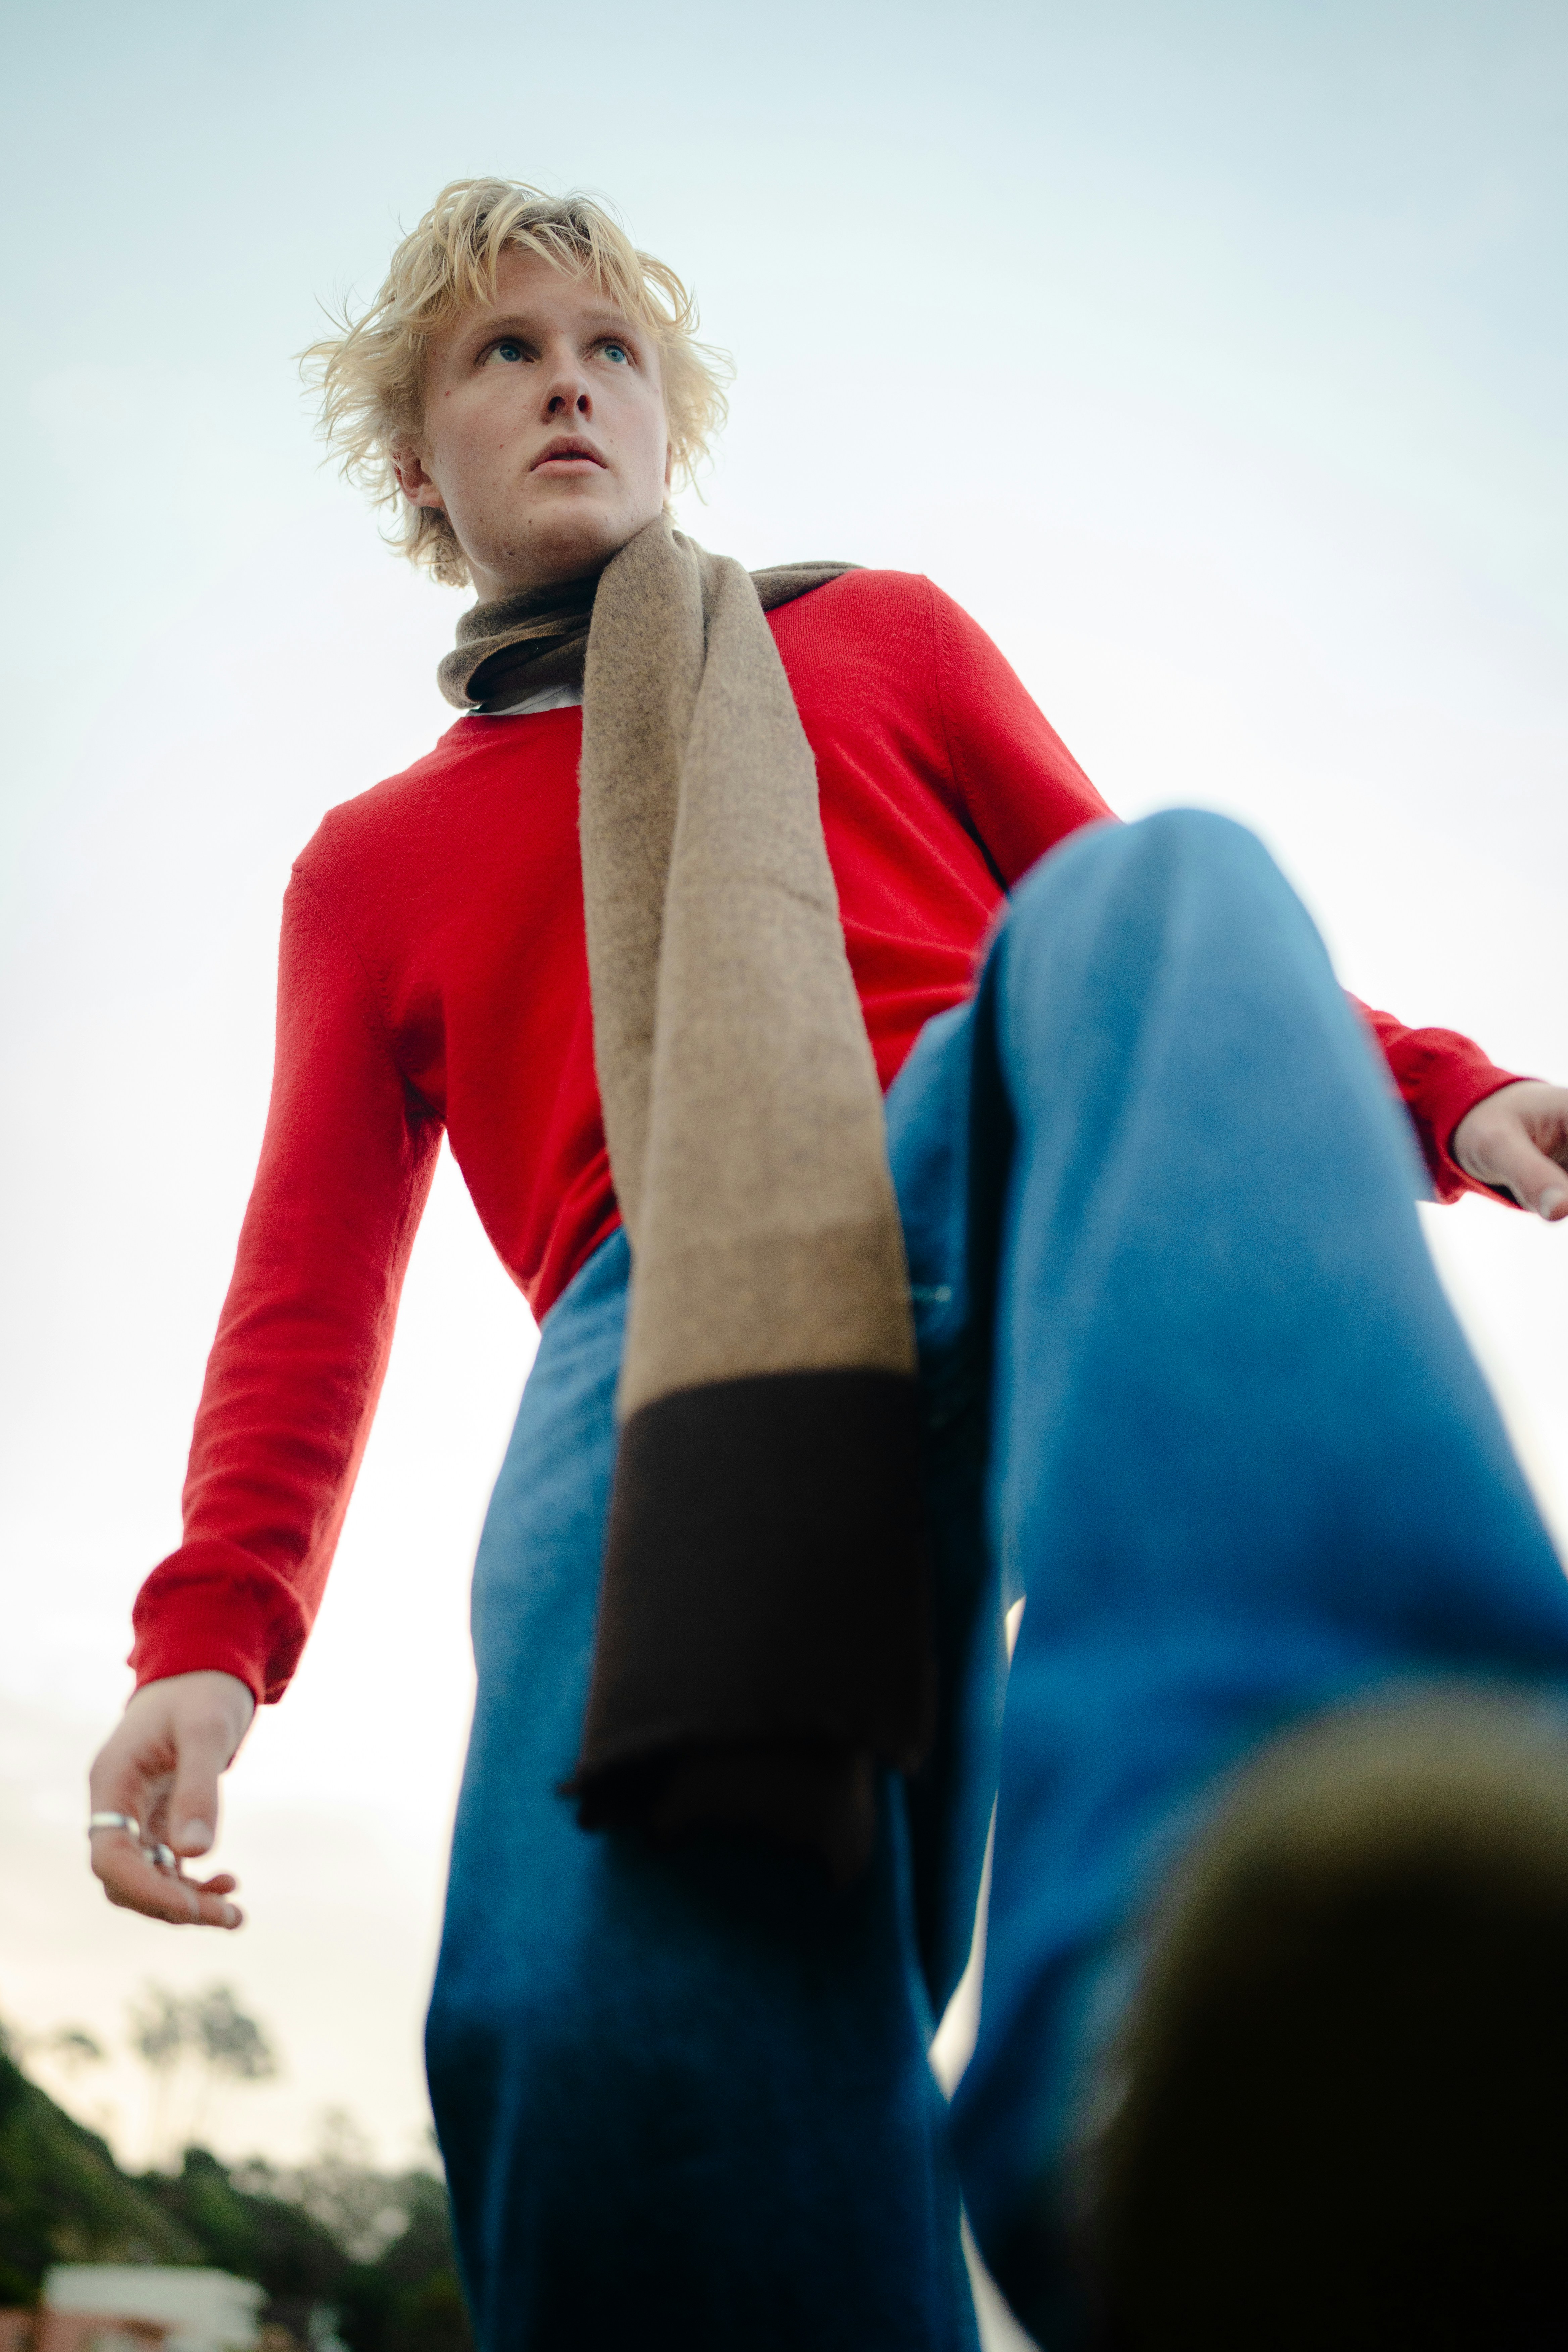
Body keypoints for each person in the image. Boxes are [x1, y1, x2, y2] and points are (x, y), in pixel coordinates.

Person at [87, 180, 1568, 2350]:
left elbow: (1102, 918)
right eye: (507, 353)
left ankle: (1302, 1892)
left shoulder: (880, 635)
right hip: (659, 1313)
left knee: (1163, 891)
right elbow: (306, 1283)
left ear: (666, 414)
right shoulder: (372, 862)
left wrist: (1447, 1095)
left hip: (992, 1135)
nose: (569, 382)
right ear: (417, 460)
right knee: (604, 2016)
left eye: (611, 349)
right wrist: (212, 1635)